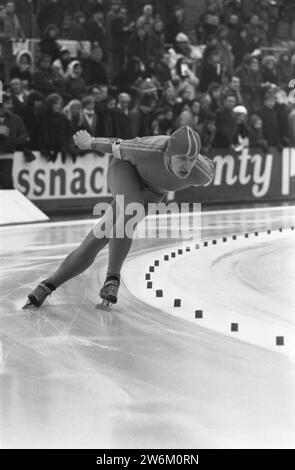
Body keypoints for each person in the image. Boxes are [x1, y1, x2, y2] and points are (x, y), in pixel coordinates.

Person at [23, 125, 215, 309]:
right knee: (132, 209)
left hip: (154, 192)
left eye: (191, 159)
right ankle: (112, 279)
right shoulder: (147, 149)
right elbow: (115, 144)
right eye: (181, 158)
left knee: (99, 237)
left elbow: (209, 165)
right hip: (125, 170)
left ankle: (47, 285)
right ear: (168, 153)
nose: (187, 165)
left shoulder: (201, 173)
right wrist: (89, 141)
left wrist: (196, 160)